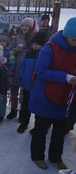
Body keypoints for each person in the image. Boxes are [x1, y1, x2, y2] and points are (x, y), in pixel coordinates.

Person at [29, 17, 76, 170]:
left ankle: (56, 157)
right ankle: (37, 156)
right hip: (45, 96)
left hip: (64, 98)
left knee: (60, 131)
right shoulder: (50, 48)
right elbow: (41, 71)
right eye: (74, 40)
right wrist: (66, 77)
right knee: (41, 129)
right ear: (67, 36)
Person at [7, 17, 39, 119]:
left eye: (27, 26)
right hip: (15, 68)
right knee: (14, 90)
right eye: (23, 25)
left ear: (32, 27)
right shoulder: (17, 38)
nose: (24, 28)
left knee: (25, 93)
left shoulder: (35, 38)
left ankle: (23, 111)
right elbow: (9, 50)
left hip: (28, 70)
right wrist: (15, 50)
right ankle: (13, 109)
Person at [17, 31, 46, 133]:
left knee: (39, 108)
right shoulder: (28, 53)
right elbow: (23, 65)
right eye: (33, 44)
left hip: (39, 87)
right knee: (25, 105)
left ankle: (37, 127)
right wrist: (21, 75)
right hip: (27, 84)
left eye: (37, 45)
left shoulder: (45, 55)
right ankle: (23, 123)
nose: (35, 46)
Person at [0, 29, 15, 121]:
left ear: (7, 42)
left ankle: (1, 114)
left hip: (5, 78)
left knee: (3, 96)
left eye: (4, 41)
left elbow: (12, 65)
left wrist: (10, 78)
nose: (2, 43)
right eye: (0, 41)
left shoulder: (9, 52)